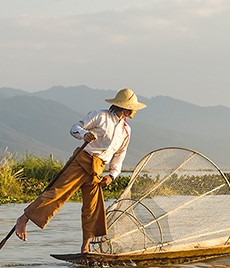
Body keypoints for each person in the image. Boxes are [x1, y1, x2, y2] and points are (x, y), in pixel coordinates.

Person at [14, 88, 147, 253]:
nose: (133, 111)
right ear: (123, 107)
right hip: (82, 160)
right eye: (131, 107)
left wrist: (112, 175)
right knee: (57, 193)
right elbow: (75, 128)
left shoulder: (126, 130)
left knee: (92, 208)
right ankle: (24, 218)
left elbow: (120, 155)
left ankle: (85, 247)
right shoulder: (100, 115)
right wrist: (85, 134)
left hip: (97, 169)